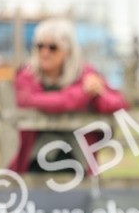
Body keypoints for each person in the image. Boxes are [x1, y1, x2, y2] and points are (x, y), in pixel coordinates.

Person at [8, 19, 128, 174]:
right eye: (40, 46)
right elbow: (30, 100)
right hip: (35, 160)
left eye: (53, 47)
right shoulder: (27, 75)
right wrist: (83, 93)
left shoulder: (85, 73)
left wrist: (99, 92)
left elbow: (117, 103)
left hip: (77, 160)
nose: (45, 52)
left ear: (68, 51)